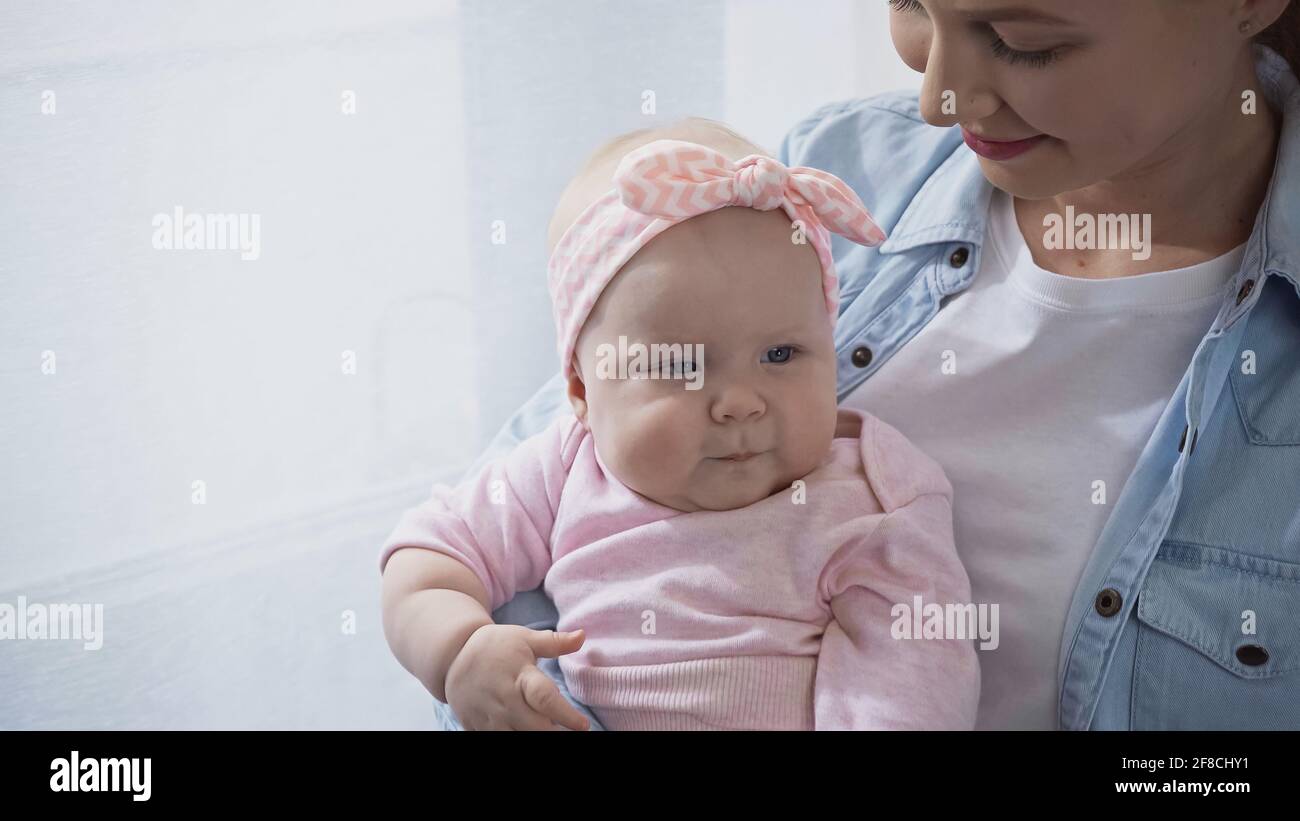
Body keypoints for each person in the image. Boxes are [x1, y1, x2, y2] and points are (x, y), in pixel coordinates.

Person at [420, 0, 1300, 730]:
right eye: (913, 4)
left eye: (1026, 43)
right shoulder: (810, 180)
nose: (939, 99)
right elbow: (504, 559)